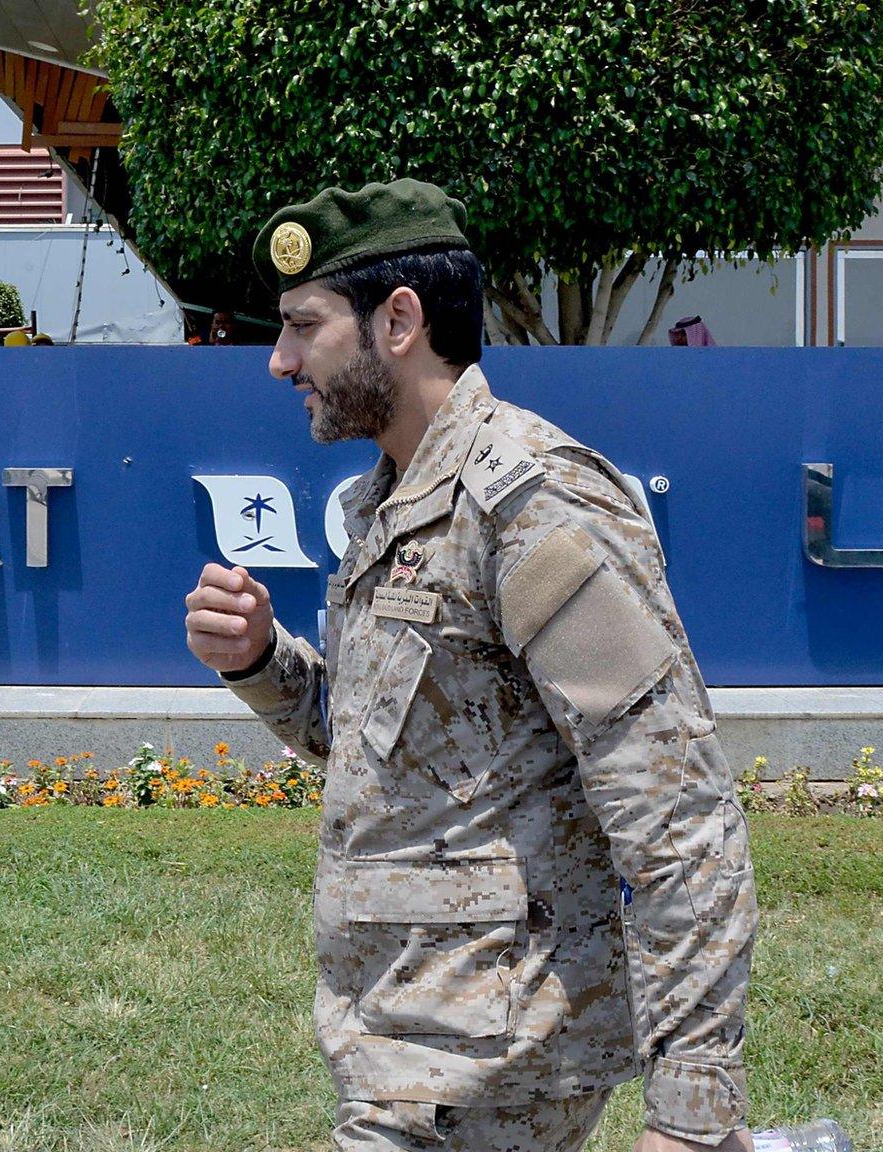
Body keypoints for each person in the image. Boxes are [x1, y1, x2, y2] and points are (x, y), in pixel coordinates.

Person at [182, 178, 758, 1152]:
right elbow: (390, 746)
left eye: (301, 327)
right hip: (407, 1044)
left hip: (494, 1060)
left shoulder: (529, 504)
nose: (278, 361)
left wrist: (693, 1116)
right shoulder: (390, 505)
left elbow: (678, 811)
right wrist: (259, 663)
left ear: (396, 321)